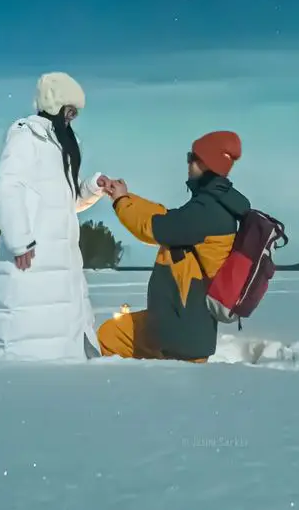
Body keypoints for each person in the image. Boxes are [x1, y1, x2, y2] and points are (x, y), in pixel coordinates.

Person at [0, 71, 106, 360]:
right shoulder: (26, 136)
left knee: (61, 337)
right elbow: (8, 187)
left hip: (62, 259)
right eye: (70, 110)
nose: (73, 118)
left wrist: (92, 188)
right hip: (33, 256)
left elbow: (65, 203)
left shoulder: (59, 145)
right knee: (30, 338)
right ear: (56, 105)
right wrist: (20, 240)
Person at [96, 130, 248, 362]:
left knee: (109, 337)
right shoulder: (211, 205)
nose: (188, 163)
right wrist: (126, 197)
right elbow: (166, 217)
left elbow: (153, 227)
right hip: (183, 325)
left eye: (192, 157)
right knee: (112, 333)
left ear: (206, 163)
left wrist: (121, 201)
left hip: (180, 331)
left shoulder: (207, 212)